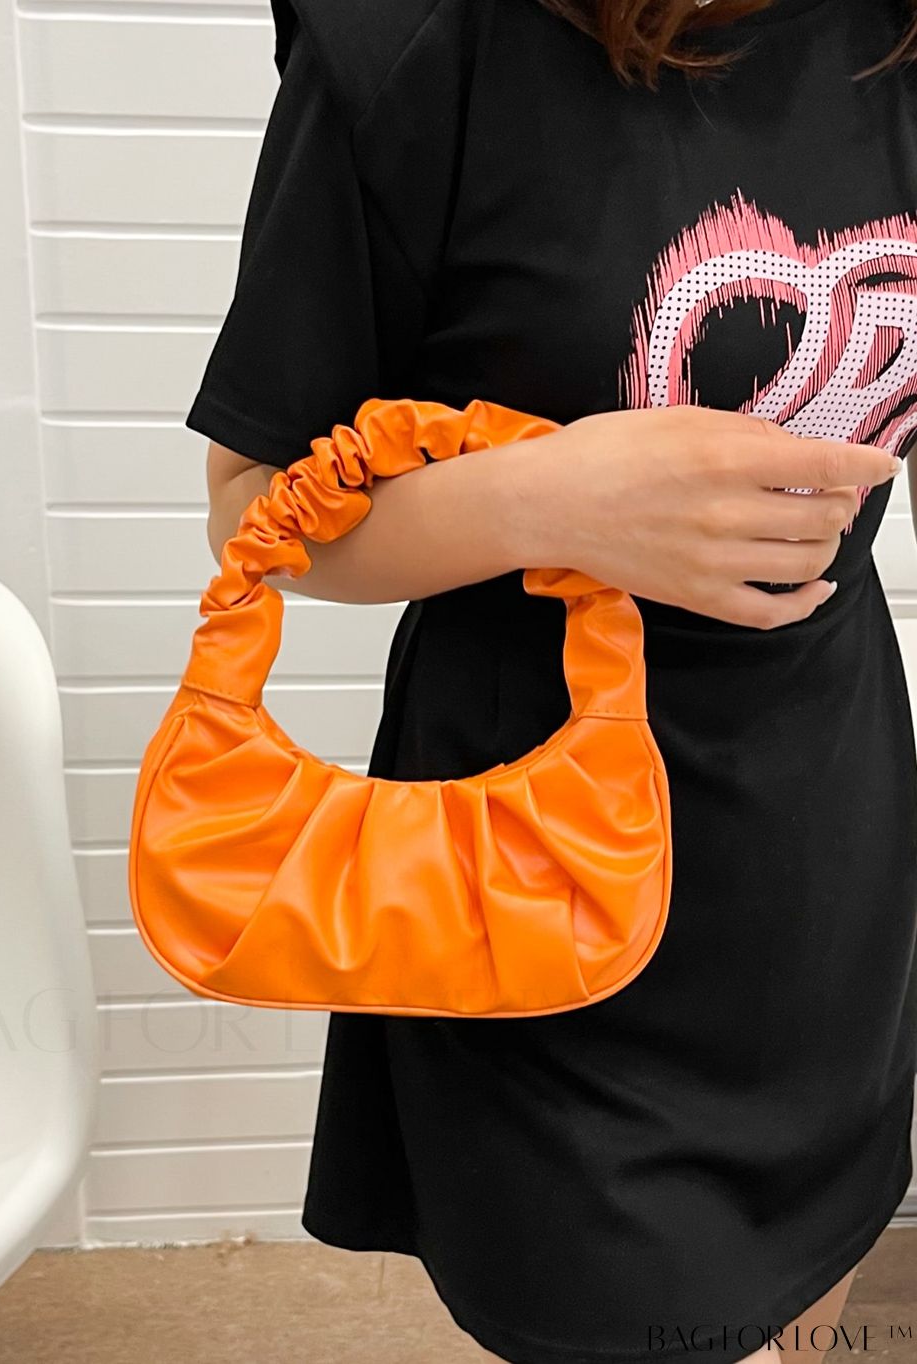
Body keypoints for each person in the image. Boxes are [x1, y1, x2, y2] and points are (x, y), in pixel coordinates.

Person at [185, 0, 917, 1360]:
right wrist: (549, 501)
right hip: (535, 864)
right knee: (612, 1307)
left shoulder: (892, 39)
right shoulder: (413, 45)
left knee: (812, 1270)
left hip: (820, 849)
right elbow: (254, 506)